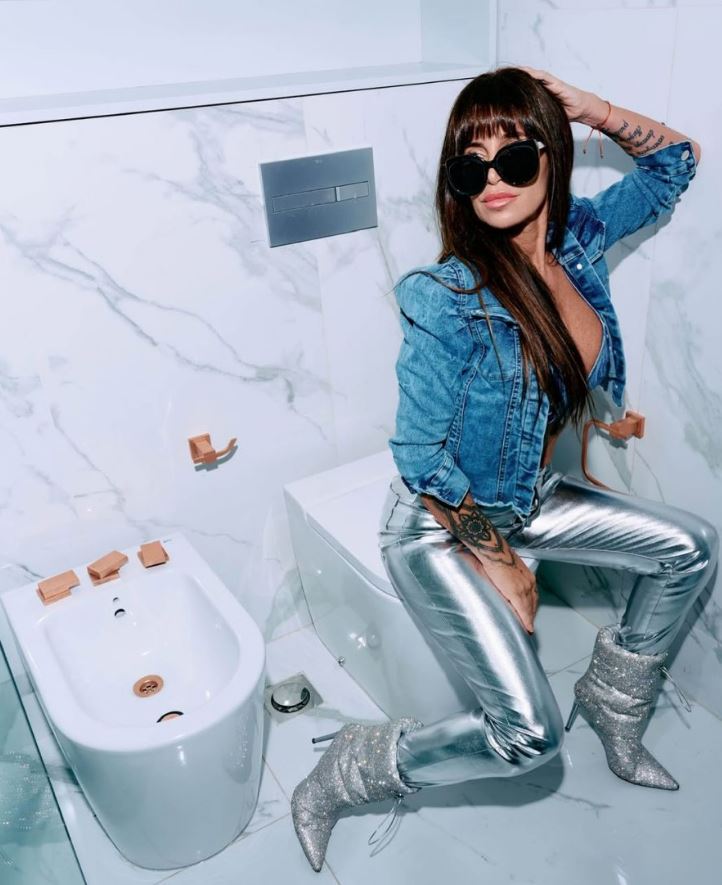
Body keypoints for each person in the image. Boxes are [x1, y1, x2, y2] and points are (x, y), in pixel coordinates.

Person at [290, 66, 719, 873]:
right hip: (439, 524)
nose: (493, 180)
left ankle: (614, 705)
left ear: (551, 155)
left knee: (692, 546)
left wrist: (591, 108)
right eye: (470, 165)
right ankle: (347, 769)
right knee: (528, 736)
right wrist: (503, 562)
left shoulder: (579, 240)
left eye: (515, 158)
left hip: (528, 495)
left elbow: (676, 162)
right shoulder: (445, 297)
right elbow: (420, 456)